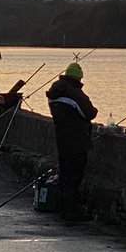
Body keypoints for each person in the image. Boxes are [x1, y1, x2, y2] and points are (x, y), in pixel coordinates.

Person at [46, 62, 98, 222]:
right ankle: (70, 213)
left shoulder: (54, 91)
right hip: (77, 139)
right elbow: (90, 113)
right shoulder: (74, 93)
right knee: (74, 176)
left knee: (64, 174)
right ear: (77, 78)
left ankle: (63, 210)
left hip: (61, 137)